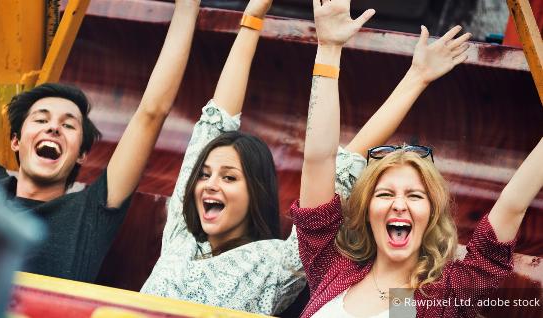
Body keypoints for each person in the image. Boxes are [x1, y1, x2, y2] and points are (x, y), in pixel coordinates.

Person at [140, 0, 470, 315]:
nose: (211, 184)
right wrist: (252, 19)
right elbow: (215, 123)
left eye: (229, 177)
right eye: (205, 175)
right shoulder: (181, 234)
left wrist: (416, 78)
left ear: (257, 192)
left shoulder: (276, 263)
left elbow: (332, 163)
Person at [292, 0, 543, 317]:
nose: (399, 204)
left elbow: (512, 203)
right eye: (385, 194)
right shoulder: (333, 266)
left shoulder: (437, 297)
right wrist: (328, 49)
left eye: (414, 195)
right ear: (367, 211)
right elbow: (319, 160)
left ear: (432, 213)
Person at [0, 0, 201, 282]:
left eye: (68, 125)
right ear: (15, 141)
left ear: (82, 155)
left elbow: (152, 113)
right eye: (40, 119)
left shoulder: (90, 213)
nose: (53, 128)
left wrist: (187, 8)